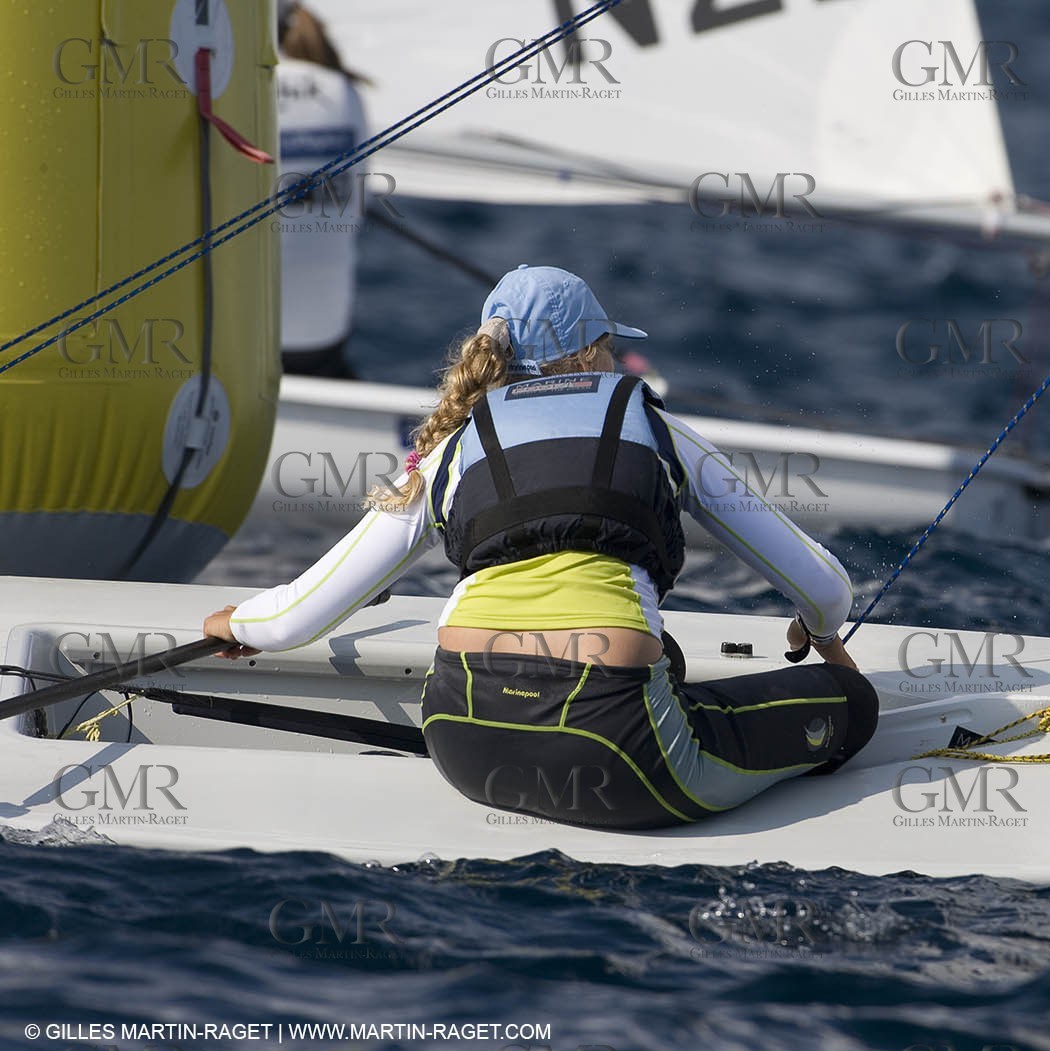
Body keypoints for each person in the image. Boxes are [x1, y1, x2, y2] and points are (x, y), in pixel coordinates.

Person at [203, 266, 879, 830]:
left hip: (463, 737)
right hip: (623, 754)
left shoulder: (451, 447)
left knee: (663, 658)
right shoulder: (647, 421)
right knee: (854, 706)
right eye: (609, 344)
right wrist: (816, 629)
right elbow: (825, 589)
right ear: (589, 356)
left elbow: (297, 617)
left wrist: (236, 624)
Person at [276, 1, 368, 378]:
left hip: (250, 329)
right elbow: (361, 202)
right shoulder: (347, 92)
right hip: (326, 326)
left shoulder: (244, 86)